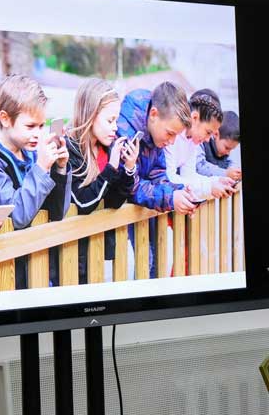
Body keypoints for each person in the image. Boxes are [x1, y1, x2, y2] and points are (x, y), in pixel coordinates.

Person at [0, 74, 71, 288]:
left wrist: (59, 168)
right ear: (5, 119)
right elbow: (17, 217)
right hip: (7, 276)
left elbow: (57, 212)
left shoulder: (33, 155)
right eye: (30, 126)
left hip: (39, 269)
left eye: (41, 126)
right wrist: (41, 168)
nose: (37, 134)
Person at [117, 82, 196, 277]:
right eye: (170, 133)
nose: (172, 141)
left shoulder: (155, 133)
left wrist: (179, 192)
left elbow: (158, 174)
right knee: (144, 263)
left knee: (154, 262)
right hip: (116, 215)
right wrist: (171, 198)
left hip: (142, 210)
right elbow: (131, 185)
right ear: (153, 114)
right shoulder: (125, 131)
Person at [67, 78, 138, 283]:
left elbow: (114, 201)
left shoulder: (106, 150)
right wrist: (111, 168)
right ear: (90, 115)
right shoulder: (70, 150)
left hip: (97, 251)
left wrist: (128, 168)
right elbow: (83, 203)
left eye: (116, 120)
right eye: (110, 121)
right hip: (71, 256)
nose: (115, 127)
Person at [165, 88, 234, 200]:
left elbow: (189, 176)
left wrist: (216, 180)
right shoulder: (172, 137)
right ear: (195, 118)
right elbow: (169, 178)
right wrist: (209, 188)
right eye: (208, 132)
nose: (208, 140)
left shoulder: (192, 142)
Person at [196, 110, 241, 181]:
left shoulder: (226, 151)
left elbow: (231, 164)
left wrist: (235, 173)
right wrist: (225, 173)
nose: (228, 153)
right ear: (216, 134)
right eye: (227, 148)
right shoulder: (202, 141)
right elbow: (199, 166)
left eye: (231, 149)